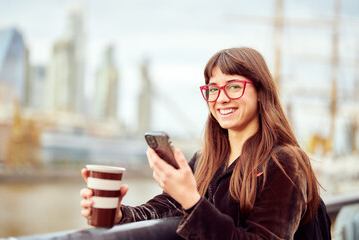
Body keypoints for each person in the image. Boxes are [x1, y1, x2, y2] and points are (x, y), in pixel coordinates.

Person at [80, 47, 331, 239]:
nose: (221, 99)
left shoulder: (284, 162)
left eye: (234, 87)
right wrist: (120, 214)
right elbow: (166, 206)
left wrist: (191, 200)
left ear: (260, 92)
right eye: (213, 89)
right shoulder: (205, 159)